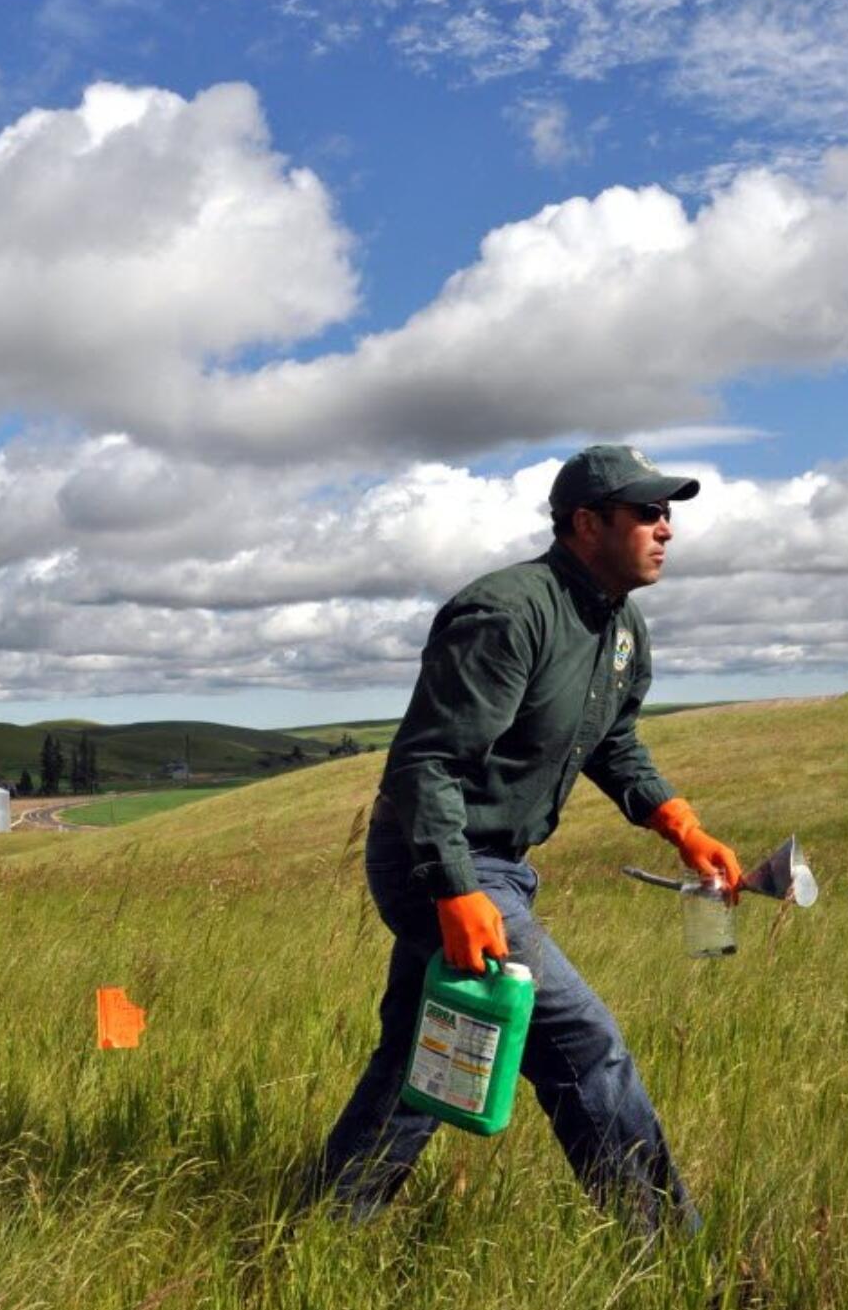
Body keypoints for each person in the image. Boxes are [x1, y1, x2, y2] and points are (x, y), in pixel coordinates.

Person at [305, 444, 742, 1234]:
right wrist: (456, 888)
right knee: (586, 1045)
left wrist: (681, 825)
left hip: (495, 865)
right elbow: (426, 761)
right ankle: (671, 1253)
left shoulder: (621, 629)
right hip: (435, 857)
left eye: (668, 512)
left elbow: (612, 743)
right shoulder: (508, 613)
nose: (666, 528)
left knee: (423, 1059)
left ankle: (319, 1231)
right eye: (646, 511)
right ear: (587, 522)